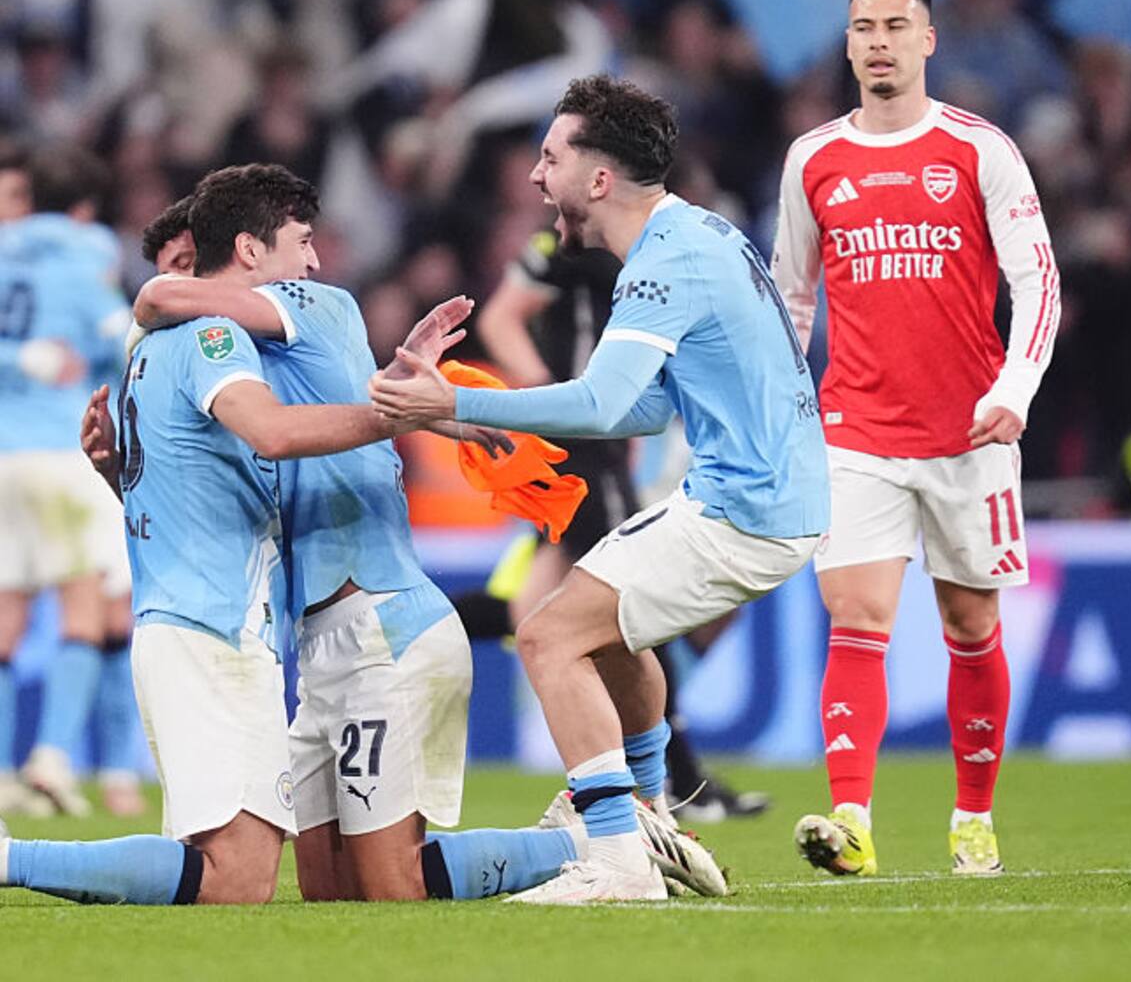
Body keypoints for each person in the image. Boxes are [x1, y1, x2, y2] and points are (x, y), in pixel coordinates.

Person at [113, 165, 711, 903]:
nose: (315, 259)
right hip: (319, 646)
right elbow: (299, 418)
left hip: (386, 631)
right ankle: (606, 830)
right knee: (331, 893)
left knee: (394, 886)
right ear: (248, 247)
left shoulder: (318, 304)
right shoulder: (251, 365)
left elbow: (159, 297)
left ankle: (604, 836)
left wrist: (418, 406)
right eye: (302, 241)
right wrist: (422, 402)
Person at [369, 74, 829, 903]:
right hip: (758, 498)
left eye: (551, 158)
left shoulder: (665, 258)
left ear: (600, 178)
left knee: (548, 638)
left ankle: (616, 859)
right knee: (611, 634)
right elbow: (647, 410)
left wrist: (454, 399)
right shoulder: (696, 233)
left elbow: (605, 402)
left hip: (745, 509)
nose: (538, 177)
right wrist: (482, 419)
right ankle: (648, 812)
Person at [0, 163, 436, 905]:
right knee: (238, 881)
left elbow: (177, 486)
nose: (311, 262)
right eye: (300, 241)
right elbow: (270, 432)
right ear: (234, 255)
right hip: (214, 630)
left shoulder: (147, 356)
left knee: (243, 875)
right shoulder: (209, 339)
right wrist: (402, 417)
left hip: (196, 626)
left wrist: (112, 469)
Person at [771, 0, 1061, 878]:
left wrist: (1013, 388)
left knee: (971, 626)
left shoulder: (980, 149)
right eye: (864, 27)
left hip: (970, 435)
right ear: (849, 42)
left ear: (928, 40)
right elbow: (791, 298)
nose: (880, 41)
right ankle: (850, 820)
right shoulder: (812, 158)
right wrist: (781, 411)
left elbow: (1038, 280)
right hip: (854, 431)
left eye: (897, 25)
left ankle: (973, 817)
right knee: (855, 616)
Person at [460, 227, 769, 822]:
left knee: (531, 608)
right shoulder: (571, 245)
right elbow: (500, 319)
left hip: (601, 441)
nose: (542, 176)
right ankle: (679, 781)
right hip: (585, 443)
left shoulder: (626, 242)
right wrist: (558, 403)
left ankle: (392, 621)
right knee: (631, 605)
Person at [0, 145, 132, 819]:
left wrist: (18, 358)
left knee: (4, 619)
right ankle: (52, 759)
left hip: (1, 455)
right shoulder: (86, 255)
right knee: (85, 610)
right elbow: (121, 341)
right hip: (60, 451)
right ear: (83, 206)